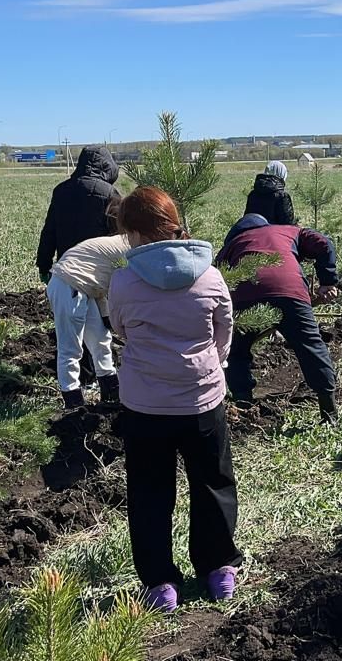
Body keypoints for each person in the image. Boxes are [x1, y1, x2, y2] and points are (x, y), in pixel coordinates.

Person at [107, 186, 241, 611]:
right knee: (213, 483)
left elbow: (121, 330)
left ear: (135, 232)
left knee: (149, 492)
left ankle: (161, 583)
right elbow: (224, 331)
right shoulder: (211, 275)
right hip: (202, 401)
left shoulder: (124, 281)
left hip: (145, 407)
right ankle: (219, 568)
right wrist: (207, 366)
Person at [218, 213, 341, 423]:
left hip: (245, 296)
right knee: (310, 345)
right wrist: (328, 281)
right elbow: (324, 242)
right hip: (290, 292)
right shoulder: (289, 230)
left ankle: (243, 405)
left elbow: (218, 280)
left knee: (236, 353)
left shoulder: (231, 246)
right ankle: (328, 411)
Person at [47, 232, 130, 409]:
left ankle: (111, 394)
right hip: (67, 283)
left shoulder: (125, 242)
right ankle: (74, 404)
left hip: (86, 286)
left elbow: (98, 280)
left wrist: (106, 316)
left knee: (101, 340)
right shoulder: (131, 250)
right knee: (71, 348)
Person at [36, 145, 122, 283]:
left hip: (66, 269)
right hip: (98, 270)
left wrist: (43, 265)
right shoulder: (109, 193)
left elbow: (49, 232)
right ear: (107, 166)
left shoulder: (61, 191)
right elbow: (119, 236)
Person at [244, 160, 296, 226]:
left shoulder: (252, 194)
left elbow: (247, 219)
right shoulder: (282, 196)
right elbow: (288, 225)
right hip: (274, 234)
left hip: (251, 232)